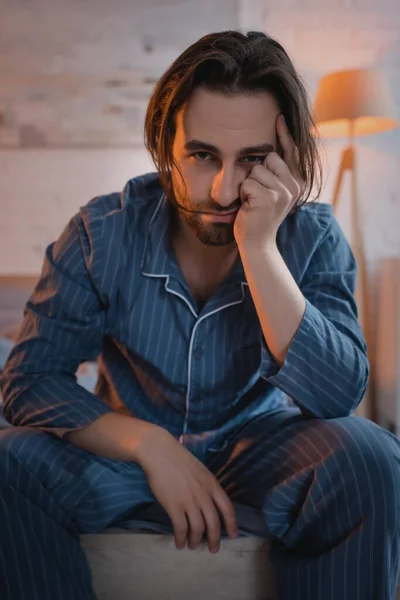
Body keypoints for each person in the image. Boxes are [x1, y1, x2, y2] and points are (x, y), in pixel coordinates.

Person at [0, 29, 399, 600]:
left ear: (284, 158)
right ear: (168, 143)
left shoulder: (313, 237)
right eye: (203, 155)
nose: (223, 189)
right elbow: (28, 381)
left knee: (372, 458)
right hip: (126, 466)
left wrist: (259, 248)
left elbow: (338, 395)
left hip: (262, 457)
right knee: (8, 460)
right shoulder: (100, 232)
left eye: (254, 161)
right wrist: (150, 446)